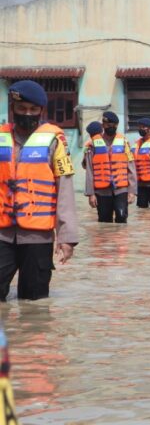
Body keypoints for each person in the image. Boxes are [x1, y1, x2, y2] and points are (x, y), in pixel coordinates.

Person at [0, 80, 78, 301]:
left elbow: (65, 190)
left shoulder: (55, 141)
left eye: (33, 109)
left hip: (38, 236)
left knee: (34, 302)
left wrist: (67, 237)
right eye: (22, 108)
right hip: (2, 234)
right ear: (12, 109)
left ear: (41, 111)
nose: (27, 114)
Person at [83, 111, 137, 223]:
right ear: (103, 125)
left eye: (114, 125)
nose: (111, 127)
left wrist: (132, 191)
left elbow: (131, 168)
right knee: (104, 222)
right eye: (108, 125)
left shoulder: (123, 142)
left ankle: (120, 240)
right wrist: (91, 194)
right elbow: (89, 170)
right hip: (102, 191)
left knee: (122, 218)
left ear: (117, 125)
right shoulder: (92, 144)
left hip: (121, 189)